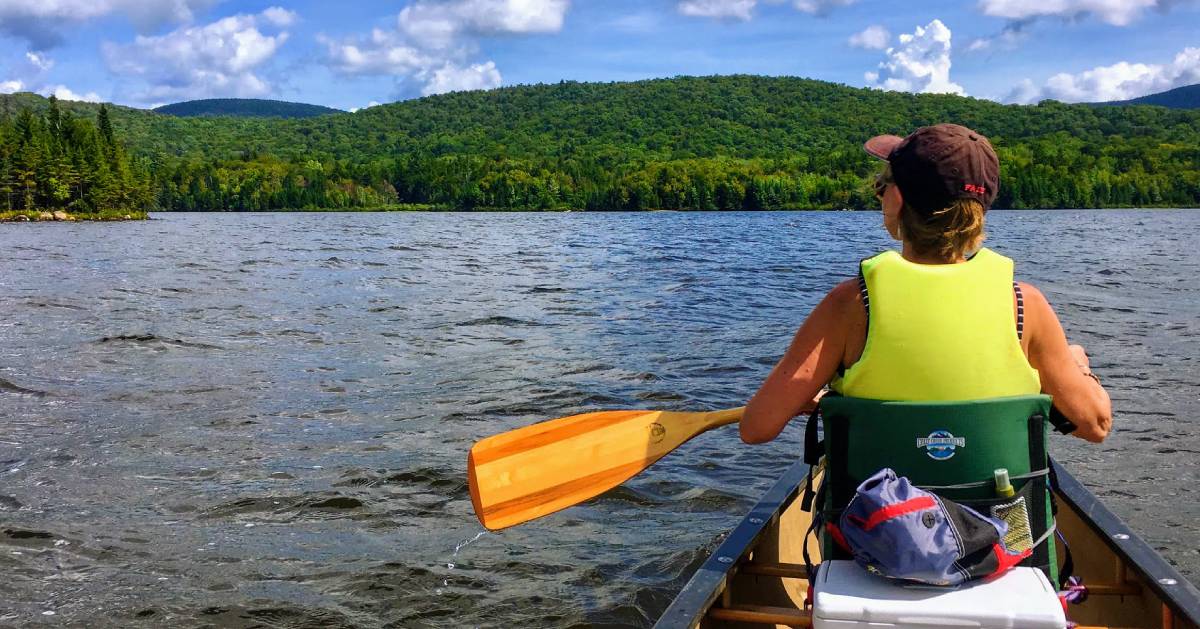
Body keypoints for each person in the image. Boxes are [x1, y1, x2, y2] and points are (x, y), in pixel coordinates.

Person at [740, 123, 1112, 445]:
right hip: (1000, 525)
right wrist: (1077, 366)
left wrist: (836, 399)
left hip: (876, 525)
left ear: (898, 199)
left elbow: (757, 427)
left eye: (881, 186)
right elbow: (1095, 425)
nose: (880, 193)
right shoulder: (1023, 304)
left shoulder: (851, 303)